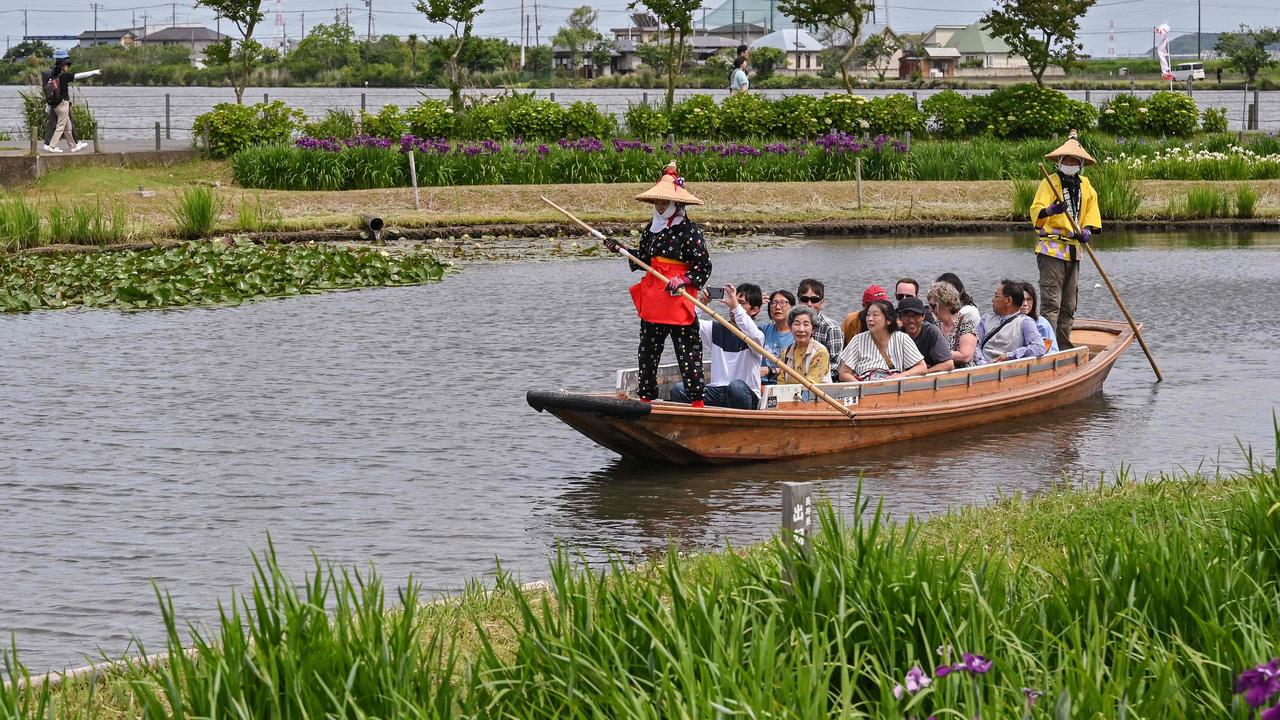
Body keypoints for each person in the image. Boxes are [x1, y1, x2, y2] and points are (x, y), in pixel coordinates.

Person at [602, 161, 712, 406]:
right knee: (648, 351)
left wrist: (683, 280)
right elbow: (644, 260)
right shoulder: (650, 230)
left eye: (665, 203)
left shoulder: (689, 231)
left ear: (676, 204)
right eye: (658, 203)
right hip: (654, 296)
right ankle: (645, 398)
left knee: (688, 352)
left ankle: (697, 403)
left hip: (676, 298)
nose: (660, 207)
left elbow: (703, 267)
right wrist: (620, 248)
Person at [1031, 129, 1101, 350]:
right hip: (1052, 248)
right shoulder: (1049, 183)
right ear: (1060, 161)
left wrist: (1087, 230)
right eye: (1067, 159)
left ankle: (1064, 345)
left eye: (1074, 160)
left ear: (1080, 163)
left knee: (1069, 304)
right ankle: (1049, 348)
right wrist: (1050, 211)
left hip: (1074, 249)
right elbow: (1037, 210)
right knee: (1052, 302)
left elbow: (1091, 212)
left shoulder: (1086, 185)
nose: (1070, 163)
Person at [672, 282, 765, 410]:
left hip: (744, 394)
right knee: (679, 389)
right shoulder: (714, 329)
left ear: (754, 310)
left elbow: (752, 333)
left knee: (736, 387)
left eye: (741, 303)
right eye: (733, 302)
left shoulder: (757, 335)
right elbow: (686, 326)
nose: (733, 308)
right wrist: (701, 304)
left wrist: (736, 308)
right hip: (716, 392)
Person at [836, 300, 926, 382]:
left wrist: (902, 375)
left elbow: (922, 367)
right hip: (864, 391)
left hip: (892, 389)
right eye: (868, 315)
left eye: (875, 315)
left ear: (888, 320)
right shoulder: (858, 340)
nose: (870, 319)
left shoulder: (902, 339)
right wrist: (862, 387)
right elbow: (844, 373)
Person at [975, 280, 1048, 365]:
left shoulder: (1025, 322)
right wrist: (982, 363)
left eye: (996, 296)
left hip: (1007, 368)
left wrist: (1008, 356)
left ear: (1008, 300)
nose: (992, 300)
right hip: (981, 366)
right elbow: (975, 345)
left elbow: (1039, 348)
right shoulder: (985, 319)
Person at [796, 278, 844, 380]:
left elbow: (836, 365)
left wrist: (812, 375)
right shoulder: (793, 325)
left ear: (822, 302)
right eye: (804, 299)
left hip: (824, 381)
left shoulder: (831, 328)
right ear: (798, 301)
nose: (809, 304)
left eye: (814, 300)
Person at [927, 281, 977, 368]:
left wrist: (937, 353)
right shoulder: (936, 325)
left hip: (964, 374)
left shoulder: (965, 322)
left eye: (933, 306)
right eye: (929, 306)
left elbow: (965, 356)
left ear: (944, 303)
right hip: (941, 372)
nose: (931, 310)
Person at [776, 305, 830, 385]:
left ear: (813, 329)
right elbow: (781, 383)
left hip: (814, 396)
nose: (801, 329)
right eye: (797, 324)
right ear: (790, 328)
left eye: (806, 324)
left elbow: (811, 386)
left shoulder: (820, 352)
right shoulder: (785, 352)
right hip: (789, 397)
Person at [897, 297, 954, 372]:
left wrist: (921, 372)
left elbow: (948, 364)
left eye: (915, 315)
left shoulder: (931, 331)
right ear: (900, 318)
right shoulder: (897, 334)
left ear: (923, 316)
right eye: (907, 316)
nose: (911, 320)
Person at [759, 289, 795, 386]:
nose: (777, 307)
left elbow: (799, 369)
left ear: (792, 308)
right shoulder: (763, 330)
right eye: (773, 303)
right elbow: (741, 326)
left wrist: (770, 371)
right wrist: (756, 306)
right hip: (760, 384)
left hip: (785, 385)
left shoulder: (798, 334)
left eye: (782, 303)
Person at [1020, 281, 1058, 352]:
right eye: (1022, 300)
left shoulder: (1042, 324)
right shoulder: (1007, 321)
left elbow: (1049, 351)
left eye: (1029, 299)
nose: (1025, 304)